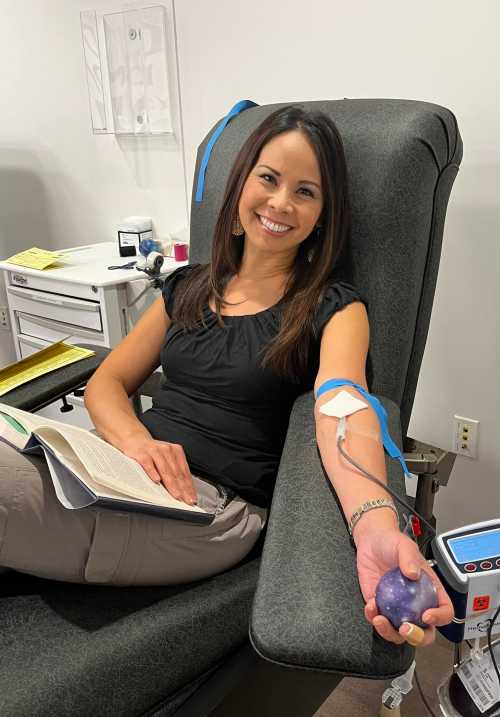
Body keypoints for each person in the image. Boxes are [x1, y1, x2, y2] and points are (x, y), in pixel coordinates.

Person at [0, 105, 453, 647]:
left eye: (306, 192)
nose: (281, 202)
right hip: (115, 469)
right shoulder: (188, 286)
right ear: (240, 187)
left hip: (205, 507)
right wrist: (137, 443)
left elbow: (342, 409)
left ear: (322, 217)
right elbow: (106, 383)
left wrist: (376, 526)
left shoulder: (332, 308)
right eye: (269, 178)